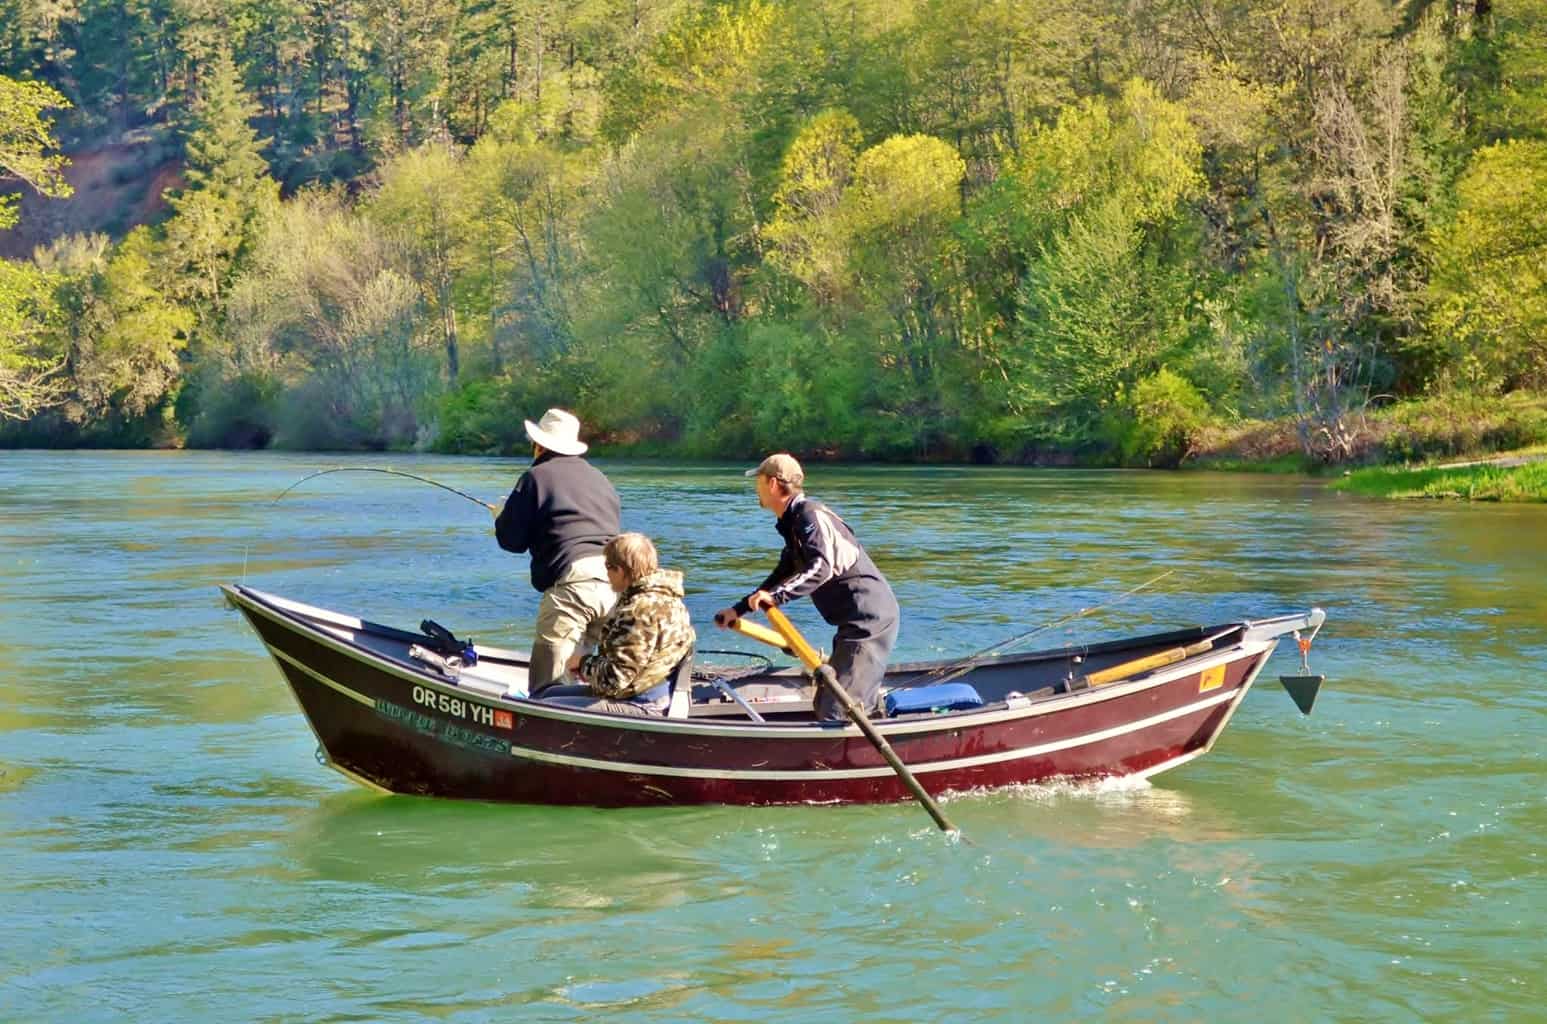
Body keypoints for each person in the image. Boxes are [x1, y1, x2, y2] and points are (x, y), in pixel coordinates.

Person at [713, 453, 899, 721]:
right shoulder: (793, 523)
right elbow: (784, 573)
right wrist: (738, 610)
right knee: (833, 696)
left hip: (869, 621)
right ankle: (872, 717)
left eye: (759, 481)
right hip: (853, 622)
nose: (757, 488)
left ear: (774, 484)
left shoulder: (809, 515)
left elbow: (820, 567)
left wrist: (776, 597)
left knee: (835, 709)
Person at [494, 408, 621, 694]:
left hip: (572, 588)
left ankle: (544, 730)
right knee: (588, 674)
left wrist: (502, 516)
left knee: (548, 687)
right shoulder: (601, 479)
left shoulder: (535, 477)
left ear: (538, 444)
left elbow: (511, 541)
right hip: (614, 585)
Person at [541, 532, 697, 717]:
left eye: (608, 567)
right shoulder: (669, 599)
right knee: (548, 694)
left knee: (544, 708)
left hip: (643, 703)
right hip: (648, 692)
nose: (606, 575)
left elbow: (615, 679)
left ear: (621, 571)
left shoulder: (638, 611)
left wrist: (582, 664)